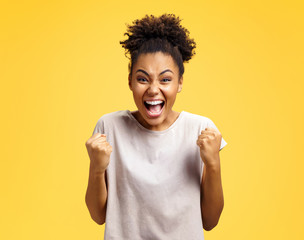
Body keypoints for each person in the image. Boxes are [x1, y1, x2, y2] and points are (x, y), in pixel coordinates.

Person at [85, 13, 228, 240]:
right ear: (130, 80)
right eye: (143, 79)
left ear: (180, 82)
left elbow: (210, 221)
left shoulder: (201, 129)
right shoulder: (109, 127)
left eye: (165, 79)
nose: (153, 89)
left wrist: (213, 164)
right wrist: (97, 168)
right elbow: (97, 215)